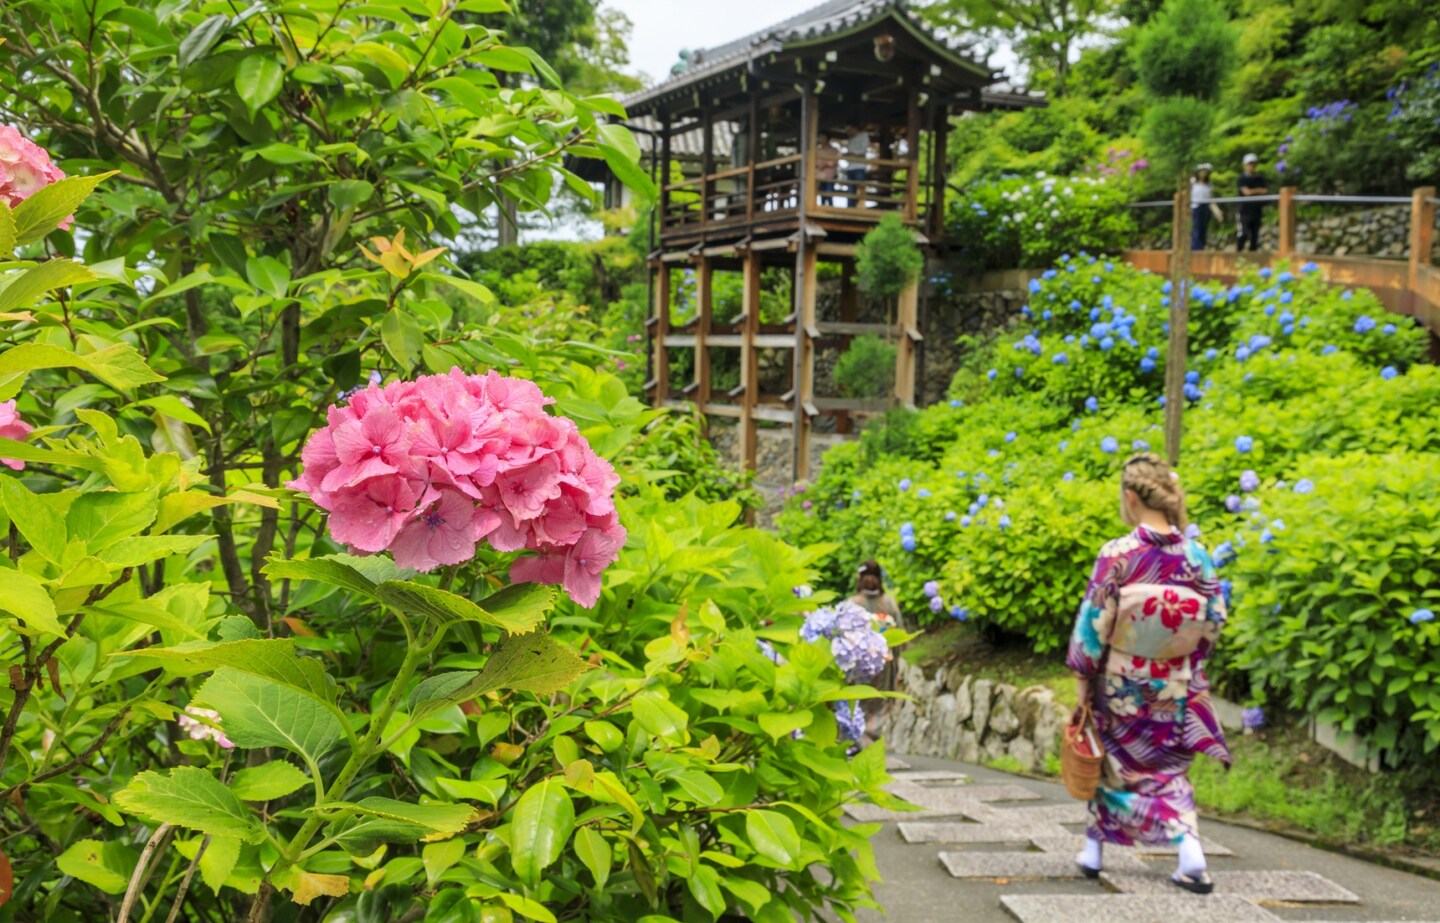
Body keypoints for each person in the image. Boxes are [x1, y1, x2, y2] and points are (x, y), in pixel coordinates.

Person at [1066, 453, 1231, 895]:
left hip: (1120, 681)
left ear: (1130, 498)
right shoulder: (1199, 557)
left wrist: (1082, 682)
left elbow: (1093, 624)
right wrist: (1185, 659)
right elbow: (1214, 620)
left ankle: (1099, 851)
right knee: (1168, 767)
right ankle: (1187, 851)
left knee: (1114, 764)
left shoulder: (1118, 554)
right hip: (1175, 683)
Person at [1236, 153, 1268, 252]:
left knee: (1255, 236)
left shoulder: (1259, 178)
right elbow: (1247, 193)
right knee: (1244, 233)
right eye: (1250, 164)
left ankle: (1253, 255)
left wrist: (1254, 191)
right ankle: (1239, 251)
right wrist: (1258, 190)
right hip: (1244, 211)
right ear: (1245, 165)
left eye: (1253, 164)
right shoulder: (1241, 179)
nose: (1252, 166)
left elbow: (1265, 191)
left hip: (1257, 211)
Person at [843, 125, 871, 206]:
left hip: (860, 167)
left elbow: (863, 150)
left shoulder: (864, 136)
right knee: (850, 190)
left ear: (854, 128)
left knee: (860, 189)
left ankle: (860, 207)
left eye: (849, 130)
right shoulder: (851, 139)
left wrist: (852, 153)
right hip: (850, 167)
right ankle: (850, 208)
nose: (848, 133)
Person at [1190, 164, 1215, 250]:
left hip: (1205, 207)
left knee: (1203, 227)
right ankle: (1195, 247)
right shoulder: (1192, 182)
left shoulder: (1209, 184)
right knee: (1196, 227)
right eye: (1202, 171)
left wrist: (1217, 211)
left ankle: (1201, 247)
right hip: (1195, 207)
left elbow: (1211, 199)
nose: (1204, 173)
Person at [816, 132, 840, 206]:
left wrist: (824, 164)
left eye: (823, 137)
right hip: (820, 175)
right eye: (820, 137)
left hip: (830, 175)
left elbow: (834, 161)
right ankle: (822, 208)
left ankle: (830, 208)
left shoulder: (834, 150)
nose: (821, 139)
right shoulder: (818, 150)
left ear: (827, 139)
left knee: (829, 193)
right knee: (822, 194)